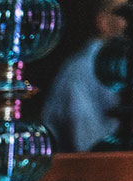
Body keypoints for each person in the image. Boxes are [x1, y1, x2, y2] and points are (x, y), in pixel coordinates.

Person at [42, 0, 127, 152]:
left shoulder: (118, 67)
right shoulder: (83, 69)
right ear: (104, 22)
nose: (130, 23)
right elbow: (87, 146)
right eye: (124, 14)